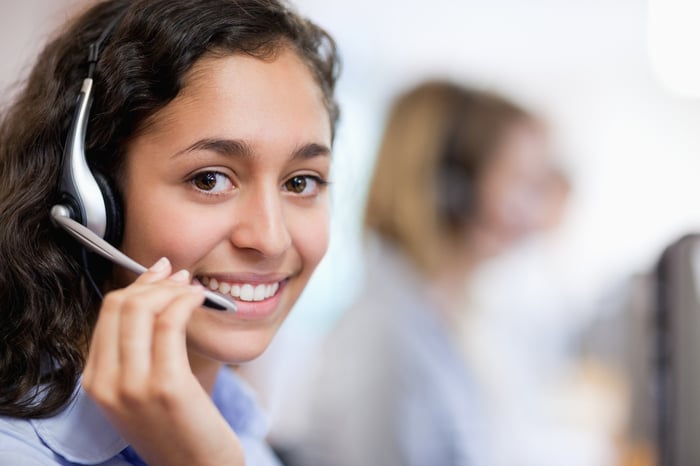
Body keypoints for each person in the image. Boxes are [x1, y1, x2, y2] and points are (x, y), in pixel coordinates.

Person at [0, 0, 339, 464]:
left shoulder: (244, 436)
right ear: (91, 200)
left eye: (301, 182)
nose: (271, 238)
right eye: (210, 179)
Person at [269, 80, 555, 466]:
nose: (537, 216)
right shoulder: (384, 332)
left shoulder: (438, 314)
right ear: (453, 189)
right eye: (523, 184)